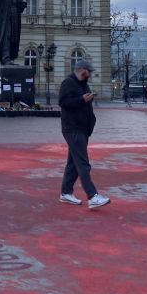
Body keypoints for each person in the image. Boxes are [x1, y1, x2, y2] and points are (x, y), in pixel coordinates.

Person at [58, 59, 110, 210]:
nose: (91, 74)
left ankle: (66, 192)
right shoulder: (68, 82)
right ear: (82, 70)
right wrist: (82, 99)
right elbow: (63, 102)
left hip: (81, 128)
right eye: (89, 71)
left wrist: (87, 99)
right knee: (82, 163)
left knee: (74, 163)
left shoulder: (83, 84)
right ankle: (92, 196)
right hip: (73, 128)